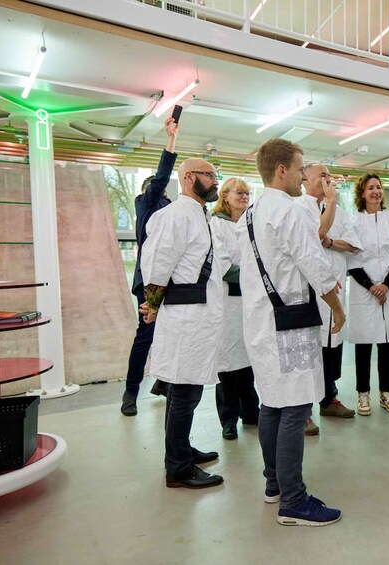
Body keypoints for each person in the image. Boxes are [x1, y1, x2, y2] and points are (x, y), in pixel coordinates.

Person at [235, 138, 345, 526]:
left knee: (272, 403)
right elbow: (314, 265)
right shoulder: (290, 211)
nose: (303, 177)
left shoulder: (250, 213)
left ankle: (274, 485)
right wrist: (338, 308)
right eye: (300, 170)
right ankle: (294, 501)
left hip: (261, 322)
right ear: (281, 170)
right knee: (295, 407)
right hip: (291, 324)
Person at [140, 155, 224, 489]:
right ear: (189, 178)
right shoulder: (174, 215)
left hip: (198, 314)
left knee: (183, 390)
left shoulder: (200, 214)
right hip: (185, 316)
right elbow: (158, 263)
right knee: (184, 393)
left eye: (216, 176)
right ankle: (178, 467)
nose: (215, 182)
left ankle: (182, 450)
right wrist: (152, 304)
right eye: (210, 175)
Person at [297, 162, 362, 431]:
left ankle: (328, 399)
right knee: (307, 352)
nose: (327, 181)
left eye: (328, 176)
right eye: (322, 176)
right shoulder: (299, 207)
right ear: (305, 180)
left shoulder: (341, 212)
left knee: (331, 349)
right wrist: (332, 203)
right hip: (308, 292)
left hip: (334, 290)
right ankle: (302, 410)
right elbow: (317, 235)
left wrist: (333, 243)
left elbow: (353, 245)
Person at [120, 117, 175, 416]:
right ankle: (130, 392)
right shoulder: (146, 202)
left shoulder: (170, 208)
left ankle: (164, 382)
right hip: (151, 282)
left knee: (171, 331)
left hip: (172, 281)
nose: (162, 191)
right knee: (146, 334)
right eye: (158, 188)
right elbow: (161, 179)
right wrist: (171, 141)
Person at [347, 173, 389, 416]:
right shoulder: (353, 223)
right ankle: (362, 394)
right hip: (364, 291)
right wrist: (371, 286)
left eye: (378, 187)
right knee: (363, 344)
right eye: (370, 188)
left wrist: (386, 285)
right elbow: (352, 258)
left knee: (387, 342)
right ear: (362, 193)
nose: (376, 191)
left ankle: (386, 392)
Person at [210, 178, 260, 440]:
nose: (244, 196)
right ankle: (228, 419)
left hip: (251, 301)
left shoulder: (251, 223)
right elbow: (222, 265)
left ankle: (251, 412)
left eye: (247, 193)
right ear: (225, 196)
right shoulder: (216, 224)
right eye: (239, 192)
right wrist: (255, 276)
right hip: (228, 302)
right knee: (228, 363)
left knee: (249, 358)